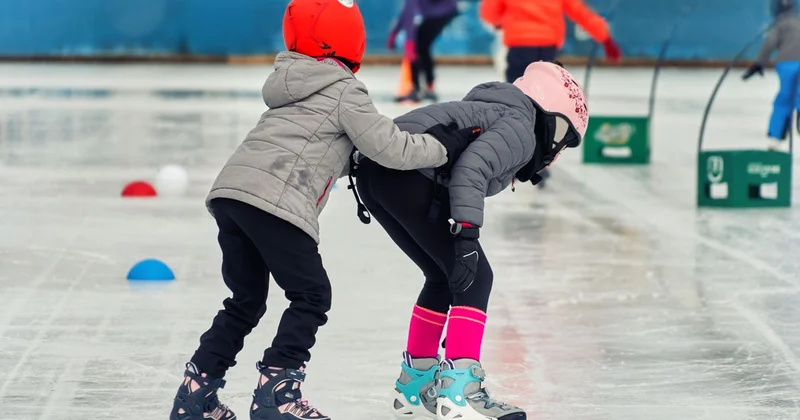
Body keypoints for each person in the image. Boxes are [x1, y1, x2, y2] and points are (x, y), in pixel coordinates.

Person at [168, 0, 482, 419]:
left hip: (232, 195)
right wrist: (445, 145)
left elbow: (320, 146)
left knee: (245, 300)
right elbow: (391, 147)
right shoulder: (343, 89)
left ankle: (195, 396)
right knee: (312, 296)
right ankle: (278, 394)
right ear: (351, 39)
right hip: (276, 203)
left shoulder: (288, 85)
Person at [353, 61, 588, 420]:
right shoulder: (521, 128)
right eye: (562, 137)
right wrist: (466, 234)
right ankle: (460, 390)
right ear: (549, 115)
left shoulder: (494, 110)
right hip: (407, 175)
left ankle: (416, 385)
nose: (555, 153)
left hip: (376, 175)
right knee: (476, 276)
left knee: (442, 276)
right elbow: (471, 170)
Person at [480, 0, 621, 84]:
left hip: (520, 44)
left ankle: (517, 122)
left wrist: (499, 22)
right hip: (547, 46)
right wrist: (605, 38)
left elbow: (489, 12)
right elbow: (579, 12)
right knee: (542, 89)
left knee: (516, 91)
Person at [743, 0, 800, 150]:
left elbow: (769, 43)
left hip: (786, 64)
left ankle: (776, 136)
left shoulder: (778, 25)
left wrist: (759, 63)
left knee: (785, 98)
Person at [388, 0, 459, 103]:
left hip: (441, 10)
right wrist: (396, 32)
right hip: (443, 9)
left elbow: (409, 13)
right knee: (422, 47)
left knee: (418, 46)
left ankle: (417, 89)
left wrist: (409, 41)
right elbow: (407, 12)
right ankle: (427, 88)